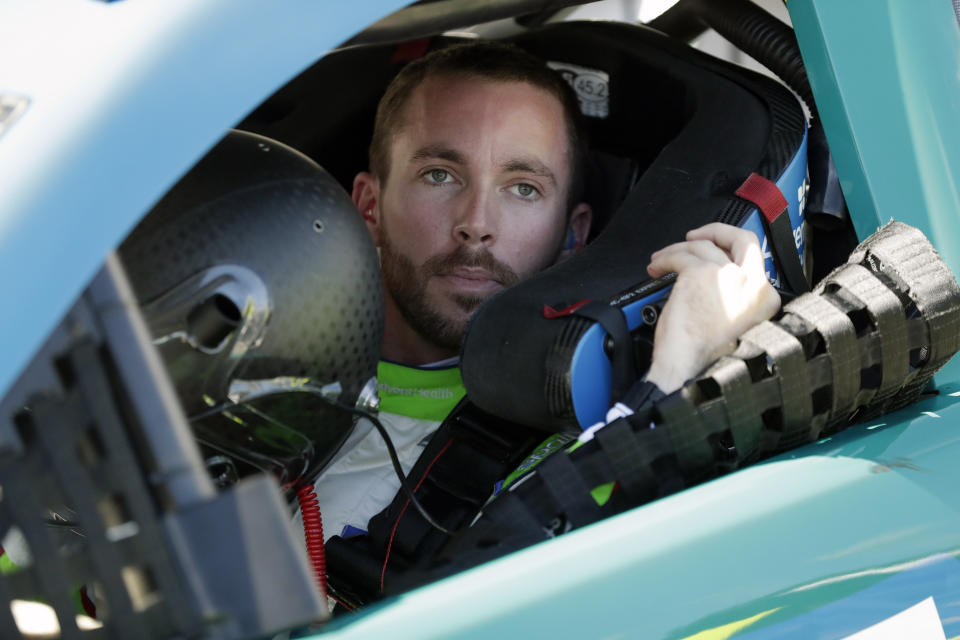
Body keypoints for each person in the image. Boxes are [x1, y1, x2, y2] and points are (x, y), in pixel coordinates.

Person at [311, 41, 780, 600]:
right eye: (440, 175)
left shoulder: (588, 430)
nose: (476, 223)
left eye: (523, 188)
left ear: (572, 236)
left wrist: (692, 369)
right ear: (369, 207)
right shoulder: (252, 369)